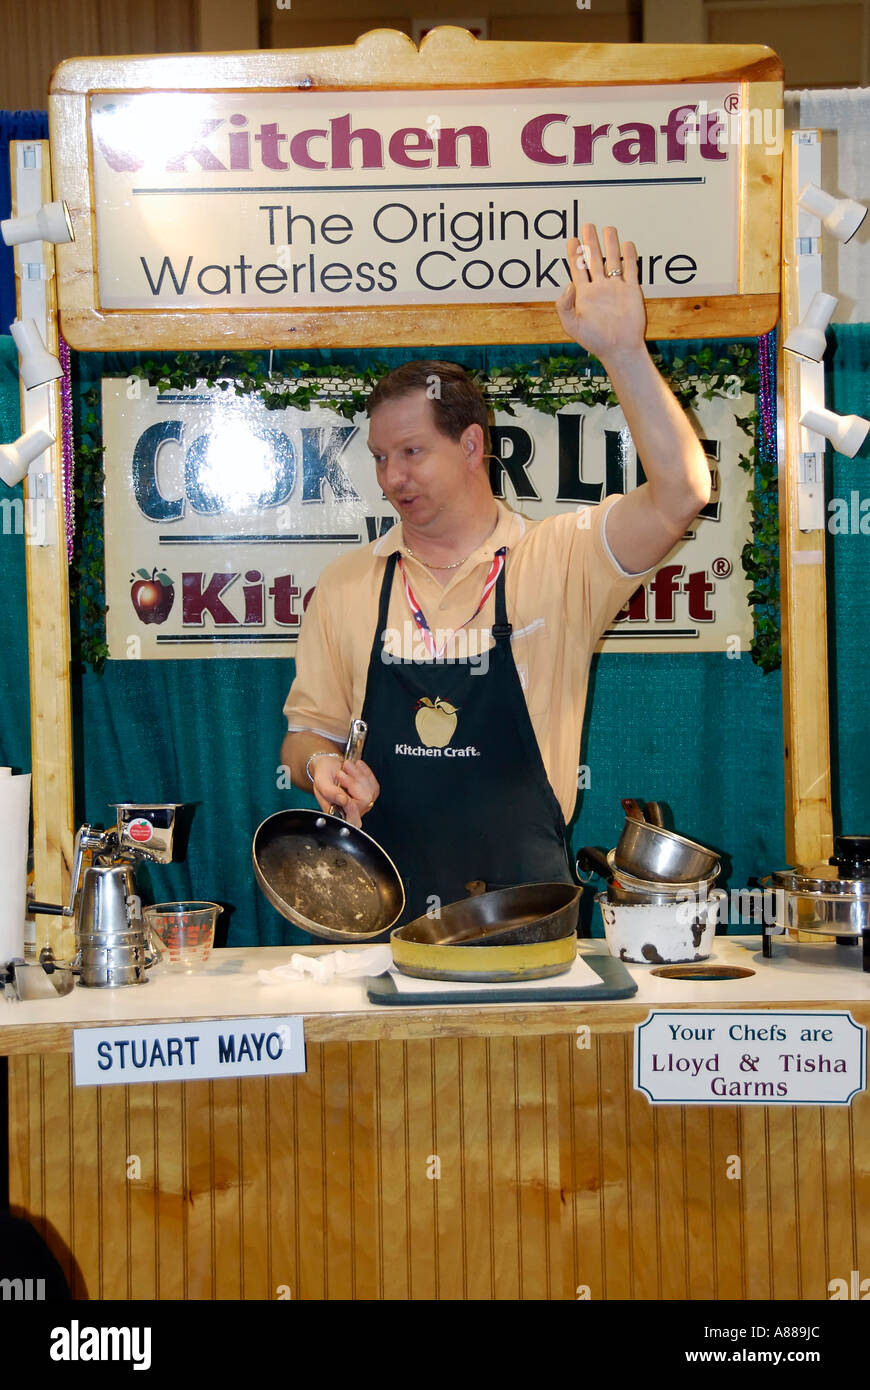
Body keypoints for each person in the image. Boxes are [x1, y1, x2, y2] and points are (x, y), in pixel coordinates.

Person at [281, 224, 711, 926]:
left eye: (412, 451)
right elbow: (307, 736)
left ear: (472, 444)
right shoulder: (349, 583)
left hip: (525, 914)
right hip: (376, 908)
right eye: (381, 457)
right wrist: (317, 769)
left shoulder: (560, 557)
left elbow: (682, 493)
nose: (392, 477)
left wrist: (624, 352)